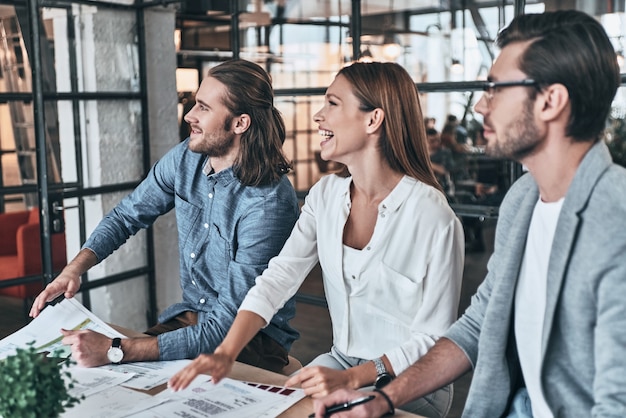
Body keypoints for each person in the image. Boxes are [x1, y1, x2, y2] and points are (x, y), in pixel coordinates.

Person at [313, 9, 625, 417]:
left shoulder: (614, 220)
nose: (480, 105)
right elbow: (477, 327)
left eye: (496, 88)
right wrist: (384, 398)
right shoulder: (523, 201)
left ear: (551, 100)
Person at [168, 61, 465, 418]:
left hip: (412, 383)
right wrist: (226, 352)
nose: (318, 116)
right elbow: (278, 279)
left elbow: (436, 341)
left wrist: (354, 378)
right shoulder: (325, 196)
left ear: (373, 120)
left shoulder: (432, 216)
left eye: (333, 104)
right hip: (341, 361)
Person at [29, 59, 300, 372]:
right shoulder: (187, 158)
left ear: (240, 123)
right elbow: (126, 216)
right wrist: (74, 269)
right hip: (191, 317)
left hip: (253, 340)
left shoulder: (267, 204)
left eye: (204, 108)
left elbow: (227, 327)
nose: (189, 115)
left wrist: (117, 349)